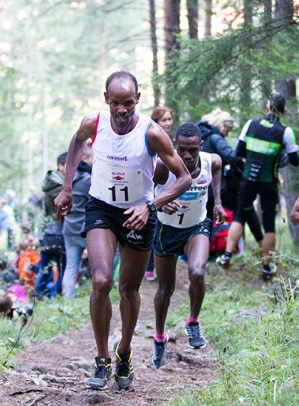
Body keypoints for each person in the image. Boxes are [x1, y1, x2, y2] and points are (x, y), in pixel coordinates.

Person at [54, 71, 191, 391]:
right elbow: (76, 142)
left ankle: (124, 353)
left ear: (138, 100)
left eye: (128, 103)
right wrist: (67, 187)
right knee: (101, 280)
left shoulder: (152, 133)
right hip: (101, 208)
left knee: (128, 289)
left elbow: (183, 177)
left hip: (139, 214)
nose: (121, 109)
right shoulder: (94, 123)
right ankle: (102, 359)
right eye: (115, 102)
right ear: (106, 100)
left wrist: (151, 206)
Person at [151, 122, 226, 368]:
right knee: (166, 288)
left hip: (196, 226)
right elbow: (148, 192)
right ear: (175, 145)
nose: (187, 155)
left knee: (197, 272)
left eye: (192, 149)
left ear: (200, 146)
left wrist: (217, 202)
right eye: (182, 149)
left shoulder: (209, 160)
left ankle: (193, 322)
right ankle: (160, 337)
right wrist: (159, 202)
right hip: (166, 229)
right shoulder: (164, 166)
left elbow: (218, 167)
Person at [217, 92, 299, 280]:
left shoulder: (251, 125)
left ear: (267, 107)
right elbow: (294, 160)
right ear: (284, 110)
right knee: (269, 223)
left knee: (240, 215)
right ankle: (266, 266)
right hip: (269, 182)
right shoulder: (286, 132)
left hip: (248, 181)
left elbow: (238, 152)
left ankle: (227, 255)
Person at [198, 109, 264, 252]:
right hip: (215, 189)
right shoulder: (215, 137)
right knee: (246, 206)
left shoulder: (204, 136)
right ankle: (262, 246)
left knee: (205, 222)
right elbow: (231, 156)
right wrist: (247, 158)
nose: (227, 133)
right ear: (222, 126)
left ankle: (204, 256)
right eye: (228, 129)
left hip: (201, 189)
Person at [145, 106, 176, 282]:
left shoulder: (170, 141)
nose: (168, 123)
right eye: (164, 120)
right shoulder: (151, 138)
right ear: (156, 121)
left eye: (170, 119)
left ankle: (160, 265)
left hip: (167, 189)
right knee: (152, 226)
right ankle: (148, 268)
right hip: (151, 189)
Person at [61, 144, 93, 298]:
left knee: (71, 267)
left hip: (69, 229)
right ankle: (96, 297)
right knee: (98, 266)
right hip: (85, 231)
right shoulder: (88, 180)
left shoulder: (67, 179)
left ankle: (68, 302)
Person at [34, 152, 67, 299]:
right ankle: (56, 296)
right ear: (60, 166)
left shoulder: (49, 182)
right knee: (62, 267)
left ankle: (38, 297)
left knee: (44, 268)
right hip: (60, 231)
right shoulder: (63, 186)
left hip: (46, 231)